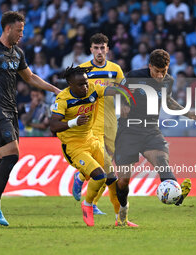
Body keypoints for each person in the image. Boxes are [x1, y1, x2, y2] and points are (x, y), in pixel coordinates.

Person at [0, 11, 60, 227]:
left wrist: (54, 89)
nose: (22, 35)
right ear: (8, 29)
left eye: (23, 31)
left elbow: (31, 77)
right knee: (12, 156)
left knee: (5, 159)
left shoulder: (17, 53)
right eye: (19, 30)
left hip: (11, 110)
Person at [114, 49, 196, 226]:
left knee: (162, 161)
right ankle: (122, 212)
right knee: (123, 180)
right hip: (128, 131)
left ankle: (176, 196)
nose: (161, 75)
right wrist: (123, 104)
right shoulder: (134, 76)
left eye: (164, 71)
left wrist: (188, 113)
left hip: (150, 131)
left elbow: (168, 101)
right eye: (157, 71)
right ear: (149, 67)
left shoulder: (168, 81)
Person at [50, 65, 136, 227]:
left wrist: (128, 93)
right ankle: (88, 204)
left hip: (92, 141)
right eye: (81, 84)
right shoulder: (63, 99)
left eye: (86, 82)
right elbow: (53, 126)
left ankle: (121, 220)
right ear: (70, 84)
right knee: (99, 176)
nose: (85, 86)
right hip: (74, 147)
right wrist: (74, 122)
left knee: (112, 180)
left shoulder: (93, 89)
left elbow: (112, 90)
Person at [72, 33, 124, 217]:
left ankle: (91, 199)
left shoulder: (116, 69)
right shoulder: (82, 70)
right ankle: (83, 184)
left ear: (107, 49)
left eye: (103, 48)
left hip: (111, 125)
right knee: (106, 167)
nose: (100, 51)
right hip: (91, 126)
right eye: (96, 48)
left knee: (107, 166)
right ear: (91, 50)